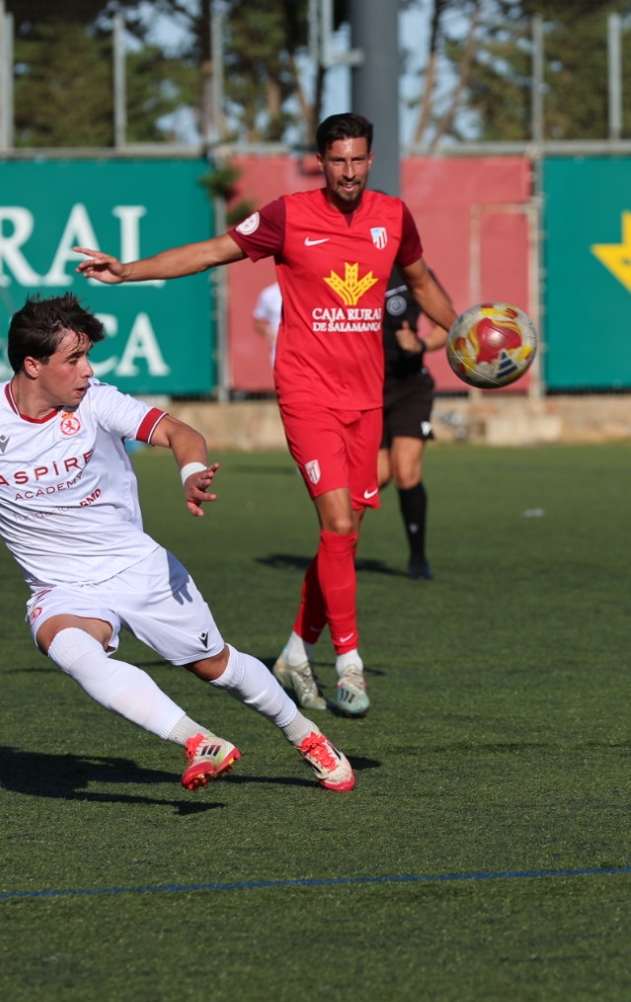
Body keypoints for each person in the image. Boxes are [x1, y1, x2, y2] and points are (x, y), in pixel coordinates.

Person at [75, 112, 458, 719]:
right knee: (338, 523)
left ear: (371, 159)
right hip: (307, 394)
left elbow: (421, 279)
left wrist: (461, 332)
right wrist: (129, 271)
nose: (349, 172)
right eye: (338, 161)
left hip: (368, 399)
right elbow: (210, 252)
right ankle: (349, 663)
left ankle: (296, 652)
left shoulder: (393, 216)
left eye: (358, 160)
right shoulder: (288, 216)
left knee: (343, 536)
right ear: (321, 162)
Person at [0, 293, 355, 793]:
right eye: (73, 359)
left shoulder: (98, 401)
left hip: (139, 570)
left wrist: (190, 473)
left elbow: (179, 432)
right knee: (71, 649)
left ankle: (305, 735)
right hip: (62, 587)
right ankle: (197, 740)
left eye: (87, 356)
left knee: (216, 666)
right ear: (32, 365)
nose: (87, 370)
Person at [379, 267, 448, 580]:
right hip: (366, 390)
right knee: (377, 477)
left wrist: (420, 344)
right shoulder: (348, 270)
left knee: (406, 472)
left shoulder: (411, 271)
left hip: (410, 389)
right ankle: (339, 556)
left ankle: (418, 559)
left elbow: (447, 326)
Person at [252, 281, 282, 367]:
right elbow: (258, 321)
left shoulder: (303, 290)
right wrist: (268, 332)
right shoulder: (269, 294)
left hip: (303, 345)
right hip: (278, 346)